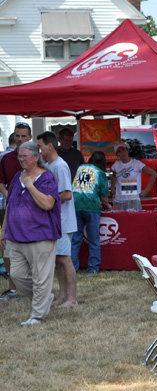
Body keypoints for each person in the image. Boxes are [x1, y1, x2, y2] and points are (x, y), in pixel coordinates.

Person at [0, 141, 61, 325]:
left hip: (40, 235)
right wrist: (3, 231)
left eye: (25, 156)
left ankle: (37, 315)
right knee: (16, 275)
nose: (21, 159)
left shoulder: (47, 178)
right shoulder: (17, 177)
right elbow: (10, 205)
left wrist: (31, 186)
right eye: (19, 156)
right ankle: (42, 299)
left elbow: (48, 204)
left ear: (36, 157)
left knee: (41, 277)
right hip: (16, 236)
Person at [37, 131, 78, 307]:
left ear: (50, 146)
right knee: (58, 259)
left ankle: (72, 298)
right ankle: (62, 296)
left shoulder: (60, 166)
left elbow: (68, 194)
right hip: (55, 221)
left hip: (63, 221)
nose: (39, 151)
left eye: (40, 147)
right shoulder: (51, 165)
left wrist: (48, 199)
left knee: (64, 259)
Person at [0, 122, 32, 303]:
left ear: (30, 137)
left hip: (32, 211)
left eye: (24, 136)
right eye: (18, 136)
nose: (20, 139)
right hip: (10, 210)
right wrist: (10, 196)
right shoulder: (6, 159)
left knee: (31, 248)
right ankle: (12, 289)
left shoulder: (37, 158)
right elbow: (1, 182)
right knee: (8, 248)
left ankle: (32, 287)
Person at [71, 151, 111, 274]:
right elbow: (104, 197)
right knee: (93, 239)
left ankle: (72, 268)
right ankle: (93, 268)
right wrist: (108, 205)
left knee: (75, 240)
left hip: (75, 205)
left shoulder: (81, 167)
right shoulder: (100, 173)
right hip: (91, 207)